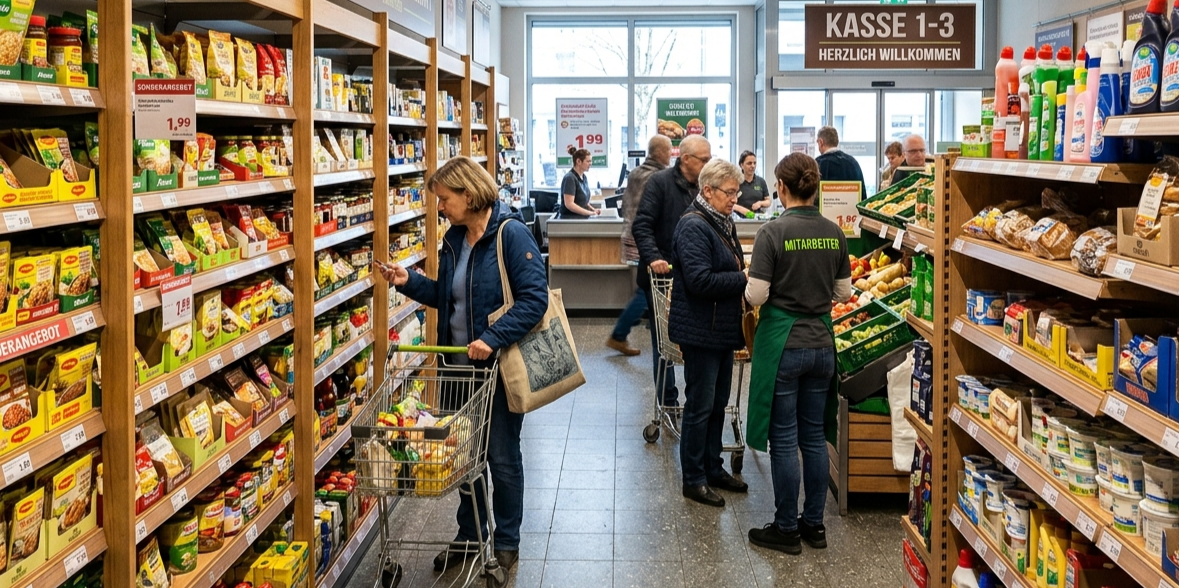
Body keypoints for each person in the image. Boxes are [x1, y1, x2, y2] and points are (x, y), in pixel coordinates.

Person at [374, 157, 548, 573]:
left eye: (444, 199)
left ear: (468, 196)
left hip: (496, 372)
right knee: (463, 459)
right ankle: (470, 536)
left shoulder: (510, 234)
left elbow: (534, 300)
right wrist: (409, 281)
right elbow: (447, 297)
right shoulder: (453, 240)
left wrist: (491, 338)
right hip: (456, 369)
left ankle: (506, 541)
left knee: (502, 460)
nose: (439, 206)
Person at [745, 152, 851, 555]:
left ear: (782, 188)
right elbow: (844, 293)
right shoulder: (834, 232)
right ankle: (814, 525)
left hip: (784, 342)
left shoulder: (773, 232)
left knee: (784, 438)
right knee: (814, 436)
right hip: (822, 342)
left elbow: (757, 293)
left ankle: (786, 528)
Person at [668, 158, 749, 507]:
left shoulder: (723, 221)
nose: (734, 198)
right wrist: (745, 278)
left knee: (718, 403)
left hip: (722, 329)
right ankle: (693, 478)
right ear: (707, 191)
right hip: (701, 331)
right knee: (700, 406)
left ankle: (713, 467)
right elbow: (700, 281)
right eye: (729, 193)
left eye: (737, 192)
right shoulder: (693, 226)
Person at [632, 134, 712, 408]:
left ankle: (695, 399)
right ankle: (668, 400)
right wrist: (653, 257)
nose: (708, 163)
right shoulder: (660, 183)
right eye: (704, 159)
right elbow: (641, 225)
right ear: (686, 159)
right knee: (664, 343)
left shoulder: (706, 187)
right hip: (662, 277)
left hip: (696, 278)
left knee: (692, 343)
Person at [608, 135, 672, 356]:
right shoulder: (659, 176)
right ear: (660, 152)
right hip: (645, 238)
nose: (671, 155)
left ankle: (621, 333)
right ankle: (619, 334)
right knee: (646, 290)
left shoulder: (636, 172)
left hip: (630, 232)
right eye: (669, 150)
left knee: (644, 288)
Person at [814, 126, 866, 200]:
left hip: (824, 211)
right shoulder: (853, 163)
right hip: (852, 211)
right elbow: (863, 196)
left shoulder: (817, 165)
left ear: (820, 142)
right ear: (837, 142)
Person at [559, 147, 600, 218]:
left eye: (591, 161)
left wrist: (593, 210)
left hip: (581, 219)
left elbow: (583, 202)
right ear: (578, 161)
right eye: (588, 161)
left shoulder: (584, 177)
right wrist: (590, 213)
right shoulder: (570, 178)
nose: (590, 164)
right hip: (570, 221)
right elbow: (569, 204)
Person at [734, 151, 771, 217]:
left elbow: (768, 201)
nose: (753, 166)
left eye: (754, 163)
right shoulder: (735, 181)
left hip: (757, 219)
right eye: (749, 163)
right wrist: (742, 210)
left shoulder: (761, 181)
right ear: (741, 165)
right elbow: (729, 203)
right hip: (739, 220)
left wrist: (760, 203)